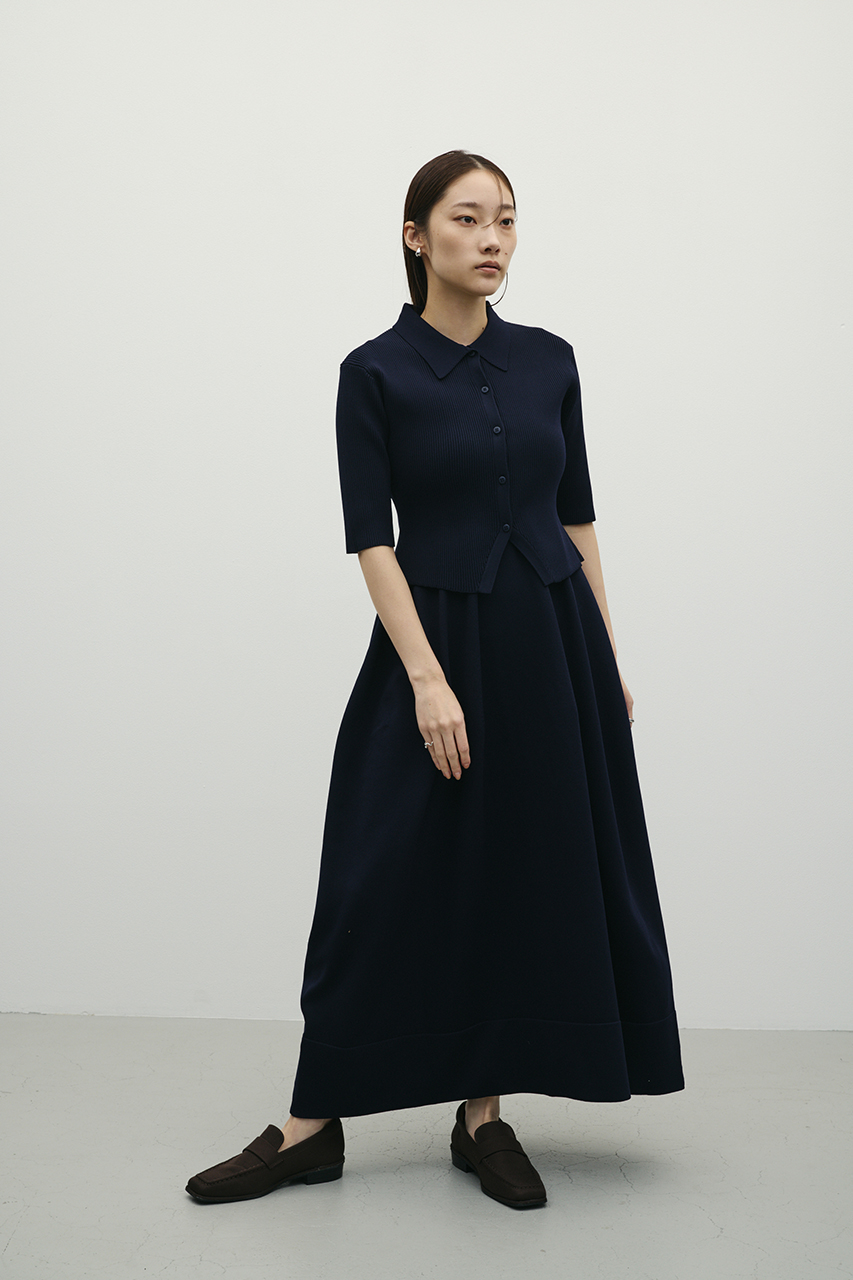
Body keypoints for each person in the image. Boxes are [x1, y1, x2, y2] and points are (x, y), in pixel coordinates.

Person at [186, 149, 684, 1211]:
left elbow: (577, 518)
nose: (492, 237)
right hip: (436, 642)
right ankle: (311, 1125)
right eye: (467, 218)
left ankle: (482, 1116)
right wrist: (425, 677)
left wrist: (605, 656)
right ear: (416, 236)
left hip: (550, 645)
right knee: (375, 874)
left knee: (517, 868)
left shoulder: (550, 360)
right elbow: (371, 539)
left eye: (506, 217)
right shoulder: (373, 371)